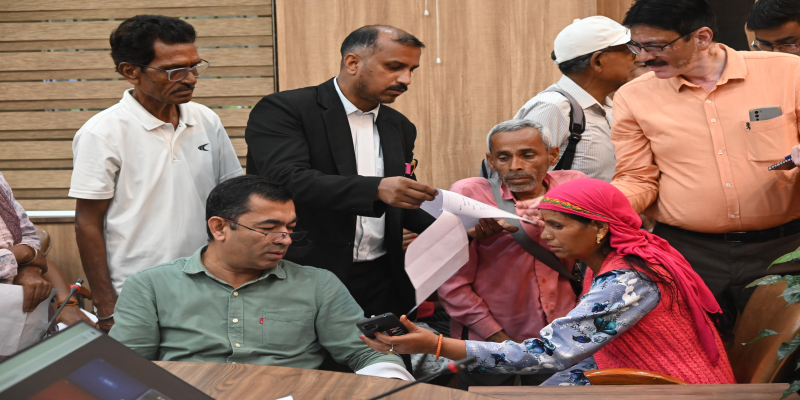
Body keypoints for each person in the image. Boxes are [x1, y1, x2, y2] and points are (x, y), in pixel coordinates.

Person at [245, 25, 510, 319]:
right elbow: (284, 179)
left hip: (381, 279)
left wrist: (458, 226)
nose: (406, 79)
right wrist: (377, 189)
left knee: (387, 351)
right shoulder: (286, 109)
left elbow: (400, 203)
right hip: (303, 272)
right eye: (394, 67)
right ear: (353, 63)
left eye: (411, 70)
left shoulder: (400, 126)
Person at [361, 179, 736, 386]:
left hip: (669, 388)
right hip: (632, 377)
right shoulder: (623, 259)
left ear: (599, 229)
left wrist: (437, 344)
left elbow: (548, 353)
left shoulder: (626, 280)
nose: (546, 235)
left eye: (557, 226)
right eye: (545, 224)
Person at [610, 0, 800, 332]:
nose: (643, 57)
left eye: (656, 46)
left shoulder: (788, 73)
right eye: (636, 46)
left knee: (780, 354)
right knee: (698, 352)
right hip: (688, 253)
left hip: (782, 249)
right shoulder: (633, 97)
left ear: (701, 37)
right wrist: (592, 206)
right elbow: (637, 179)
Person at [109, 176, 412, 380]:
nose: (285, 239)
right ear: (219, 228)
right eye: (268, 229)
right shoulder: (151, 286)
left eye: (290, 228)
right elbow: (124, 368)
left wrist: (389, 377)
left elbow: (369, 353)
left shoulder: (318, 285)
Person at [70, 15, 243, 332]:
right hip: (137, 291)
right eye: (174, 70)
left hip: (211, 282)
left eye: (194, 66)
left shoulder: (206, 119)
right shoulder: (102, 133)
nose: (190, 79)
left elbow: (231, 199)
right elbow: (87, 223)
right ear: (130, 72)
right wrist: (106, 305)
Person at [438, 119, 586, 388]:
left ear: (553, 155)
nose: (515, 166)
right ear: (491, 162)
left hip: (561, 338)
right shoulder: (470, 195)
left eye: (528, 155)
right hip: (489, 339)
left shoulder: (574, 188)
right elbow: (451, 283)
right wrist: (496, 338)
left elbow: (598, 258)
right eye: (503, 157)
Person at [514, 16, 645, 182]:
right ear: (598, 61)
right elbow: (521, 180)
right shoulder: (553, 107)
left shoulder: (610, 107)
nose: (639, 58)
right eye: (630, 52)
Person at [0, 172, 51, 312]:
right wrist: (20, 254)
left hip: (19, 305)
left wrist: (29, 269)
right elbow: (25, 251)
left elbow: (28, 234)